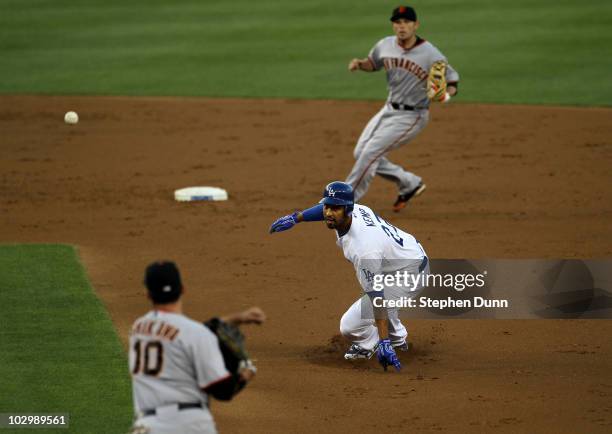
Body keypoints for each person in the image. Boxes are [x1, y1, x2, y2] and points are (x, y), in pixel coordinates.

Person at [269, 181, 429, 371]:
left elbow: (377, 297)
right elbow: (327, 209)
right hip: (403, 257)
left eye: (335, 208)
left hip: (410, 274)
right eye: (326, 206)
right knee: (380, 294)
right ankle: (398, 341)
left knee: (350, 325)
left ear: (347, 209)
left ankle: (372, 343)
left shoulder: (363, 249)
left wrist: (383, 340)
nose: (328, 213)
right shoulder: (357, 210)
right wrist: (297, 217)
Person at [129, 261, 265, 434]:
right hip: (188, 425)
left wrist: (234, 318)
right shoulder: (197, 335)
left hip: (147, 426)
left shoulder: (138, 329)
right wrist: (246, 372)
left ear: (148, 294)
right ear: (183, 289)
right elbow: (223, 391)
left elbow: (181, 334)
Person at [346, 5, 460, 211]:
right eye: (398, 22)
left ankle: (346, 199)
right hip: (389, 108)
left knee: (370, 152)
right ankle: (409, 183)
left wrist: (446, 95)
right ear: (393, 25)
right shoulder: (385, 45)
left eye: (407, 22)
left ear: (416, 25)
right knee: (361, 152)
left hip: (413, 115)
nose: (402, 26)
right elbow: (373, 63)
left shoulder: (431, 54)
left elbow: (452, 80)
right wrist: (360, 64)